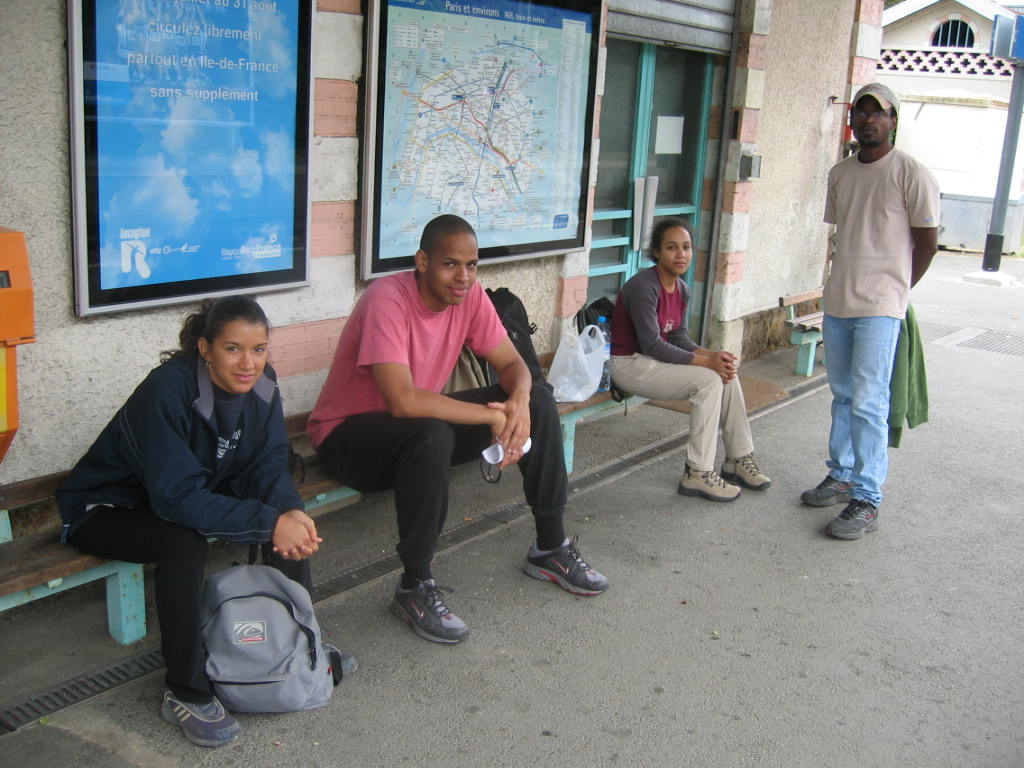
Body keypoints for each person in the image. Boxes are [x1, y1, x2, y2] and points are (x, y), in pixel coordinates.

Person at [307, 214, 608, 645]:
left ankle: (550, 547)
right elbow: (402, 400)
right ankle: (414, 585)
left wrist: (519, 403)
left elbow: (512, 363)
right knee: (432, 434)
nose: (463, 277)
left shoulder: (469, 296)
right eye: (450, 264)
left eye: (471, 265)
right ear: (422, 262)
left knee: (539, 401)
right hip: (347, 440)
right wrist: (493, 417)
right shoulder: (386, 300)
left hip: (417, 429)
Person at [57, 296, 339, 748]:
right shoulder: (167, 389)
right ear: (205, 348)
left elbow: (268, 462)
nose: (248, 363)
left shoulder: (263, 383)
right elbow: (175, 498)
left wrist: (289, 512)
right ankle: (185, 690)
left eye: (259, 349)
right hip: (109, 507)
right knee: (184, 541)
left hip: (184, 491)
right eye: (233, 349)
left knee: (287, 518)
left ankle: (298, 642)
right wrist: (269, 522)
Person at [802, 82, 939, 540]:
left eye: (877, 112)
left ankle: (867, 497)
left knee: (868, 401)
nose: (867, 120)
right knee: (842, 394)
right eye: (860, 112)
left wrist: (897, 289)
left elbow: (927, 243)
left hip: (881, 306)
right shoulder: (841, 173)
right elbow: (844, 231)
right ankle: (841, 473)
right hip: (840, 301)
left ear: (893, 120)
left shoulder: (911, 173)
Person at [609, 218, 770, 503]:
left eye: (686, 247)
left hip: (654, 362)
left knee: (725, 373)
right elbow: (653, 345)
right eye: (672, 247)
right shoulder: (644, 286)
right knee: (709, 380)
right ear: (657, 252)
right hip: (629, 364)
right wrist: (707, 364)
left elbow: (679, 338)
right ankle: (698, 472)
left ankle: (738, 458)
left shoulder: (682, 289)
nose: (681, 254)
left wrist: (714, 357)